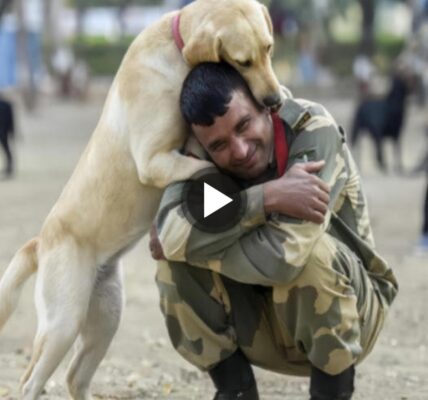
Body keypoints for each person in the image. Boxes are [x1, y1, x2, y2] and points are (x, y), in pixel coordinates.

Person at [150, 62, 398, 400]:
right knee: (173, 268)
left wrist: (199, 241)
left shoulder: (311, 131)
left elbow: (284, 259)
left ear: (266, 105)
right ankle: (236, 391)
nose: (238, 150)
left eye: (244, 124)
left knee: (310, 259)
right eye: (219, 145)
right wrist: (265, 198)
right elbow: (167, 233)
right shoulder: (199, 155)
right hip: (263, 324)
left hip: (351, 318)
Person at [0, 93, 15, 178]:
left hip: (4, 132)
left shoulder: (7, 105)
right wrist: (13, 132)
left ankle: (9, 167)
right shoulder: (7, 105)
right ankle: (9, 167)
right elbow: (12, 120)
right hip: (4, 132)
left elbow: (11, 119)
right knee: (7, 150)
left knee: (6, 150)